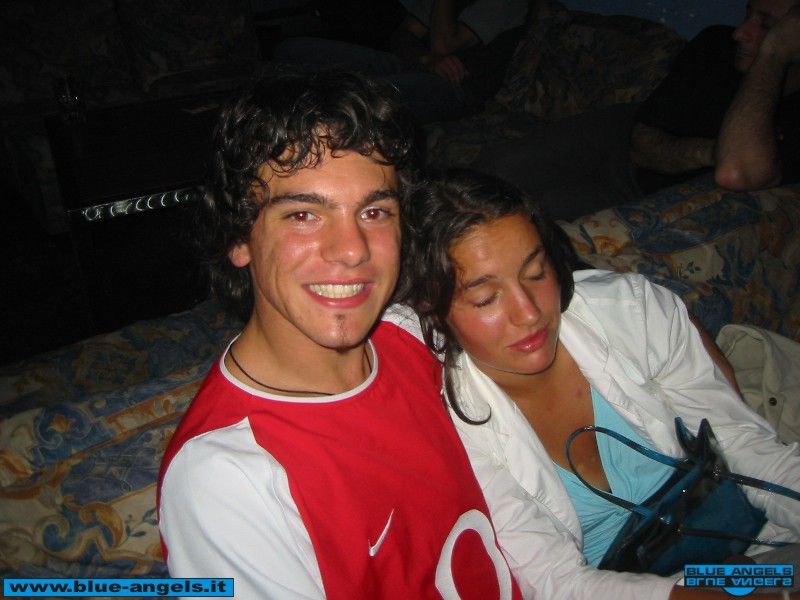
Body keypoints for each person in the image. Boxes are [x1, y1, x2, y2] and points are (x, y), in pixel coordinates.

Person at [157, 68, 522, 599]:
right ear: (239, 237)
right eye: (304, 214)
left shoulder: (412, 337)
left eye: (374, 211)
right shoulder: (226, 478)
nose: (352, 249)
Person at [402, 168, 800, 599]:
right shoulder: (455, 427)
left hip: (752, 557)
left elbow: (745, 448)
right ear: (433, 310)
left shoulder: (629, 312)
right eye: (485, 298)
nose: (529, 312)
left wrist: (755, 584)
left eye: (536, 273)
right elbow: (556, 582)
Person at [474, 0, 800, 221]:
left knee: (529, 219)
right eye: (748, 14)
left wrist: (772, 55)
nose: (741, 32)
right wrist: (712, 151)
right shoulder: (716, 44)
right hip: (622, 135)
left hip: (646, 193)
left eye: (766, 25)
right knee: (493, 172)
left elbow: (736, 171)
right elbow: (644, 144)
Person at [272, 0, 528, 125]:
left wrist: (434, 55)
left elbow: (444, 46)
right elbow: (403, 34)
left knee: (367, 95)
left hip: (459, 89)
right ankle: (275, 120)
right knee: (293, 50)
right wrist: (426, 58)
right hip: (417, 66)